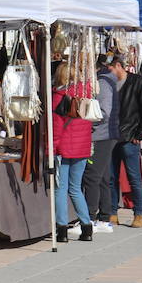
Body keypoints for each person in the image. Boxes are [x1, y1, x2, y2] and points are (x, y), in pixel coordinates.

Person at [108, 53, 142, 228]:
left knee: (133, 177)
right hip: (110, 136)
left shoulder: (138, 82)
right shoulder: (108, 83)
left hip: (130, 137)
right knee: (111, 177)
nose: (109, 72)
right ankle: (112, 212)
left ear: (119, 66)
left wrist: (139, 133)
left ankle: (139, 212)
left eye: (111, 69)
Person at [51, 62, 94, 243]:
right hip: (82, 149)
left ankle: (62, 230)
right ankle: (87, 227)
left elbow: (56, 128)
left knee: (61, 190)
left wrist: (51, 149)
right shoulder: (86, 95)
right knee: (76, 188)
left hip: (63, 149)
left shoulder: (59, 96)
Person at [83, 58, 121, 233]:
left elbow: (104, 112)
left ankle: (89, 218)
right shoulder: (105, 82)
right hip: (106, 134)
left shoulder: (102, 83)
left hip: (101, 135)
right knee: (103, 177)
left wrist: (86, 123)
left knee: (92, 176)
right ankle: (104, 218)